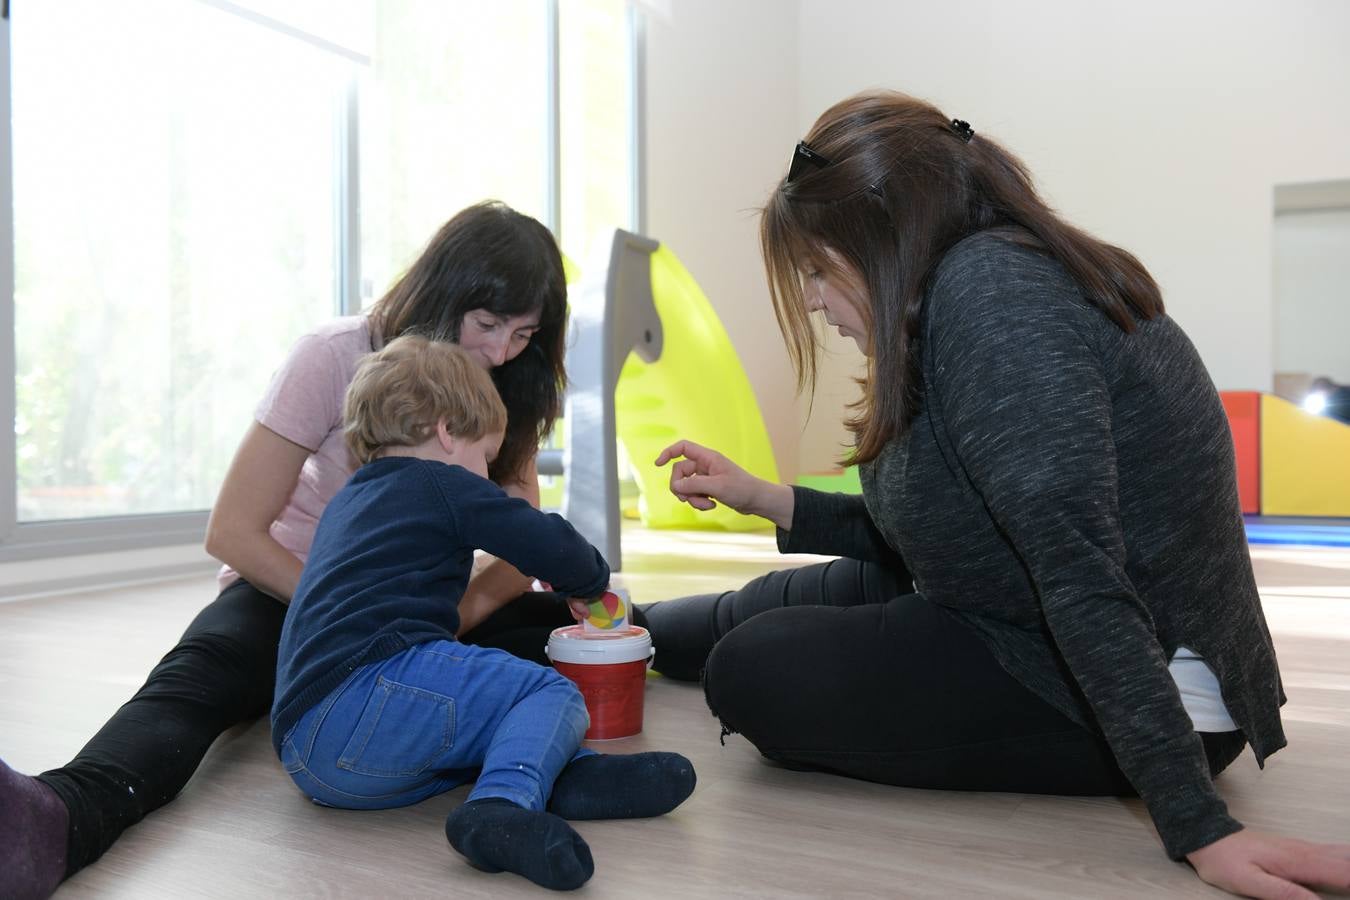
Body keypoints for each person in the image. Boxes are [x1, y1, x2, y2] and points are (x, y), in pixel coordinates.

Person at [645, 91, 1350, 898]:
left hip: (1123, 684)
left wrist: (1200, 826)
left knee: (751, 671)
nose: (811, 299)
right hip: (1002, 602)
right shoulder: (962, 288)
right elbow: (936, 529)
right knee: (707, 621)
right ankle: (571, 628)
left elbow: (1080, 574)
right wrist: (763, 496)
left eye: (815, 270)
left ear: (878, 242)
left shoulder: (995, 302)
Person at [1, 201, 648, 899]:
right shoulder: (335, 353)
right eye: (487, 324)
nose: (499, 352)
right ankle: (62, 815)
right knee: (197, 683)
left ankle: (586, 723)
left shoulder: (500, 389)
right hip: (291, 588)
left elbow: (522, 540)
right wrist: (348, 612)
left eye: (522, 335)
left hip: (423, 612)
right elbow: (232, 531)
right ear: (441, 293)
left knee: (565, 636)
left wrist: (436, 625)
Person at [273, 335, 694, 891]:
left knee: (480, 712)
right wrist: (588, 581)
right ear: (448, 432)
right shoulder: (439, 482)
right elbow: (534, 533)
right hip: (368, 694)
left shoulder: (348, 503)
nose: (485, 475)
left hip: (311, 755)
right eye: (486, 459)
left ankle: (554, 776)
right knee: (545, 691)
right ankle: (500, 807)